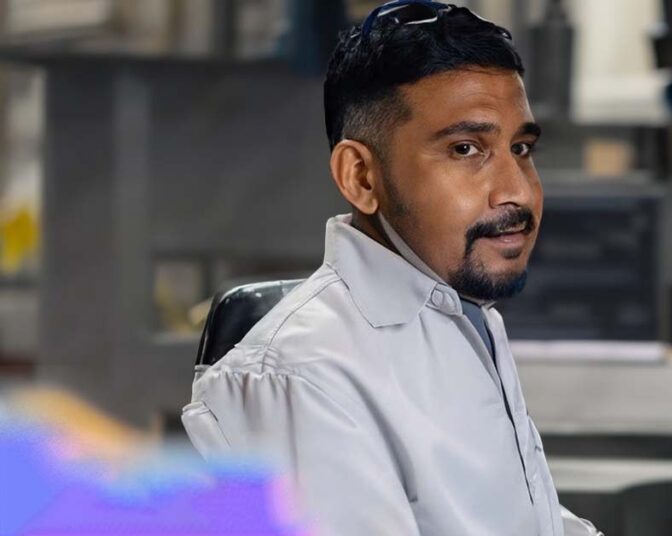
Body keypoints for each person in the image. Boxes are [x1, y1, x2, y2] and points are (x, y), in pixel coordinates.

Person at [181, 2, 602, 535]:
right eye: (465, 149)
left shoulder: (461, 315)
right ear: (361, 176)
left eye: (520, 148)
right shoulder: (302, 376)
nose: (517, 190)